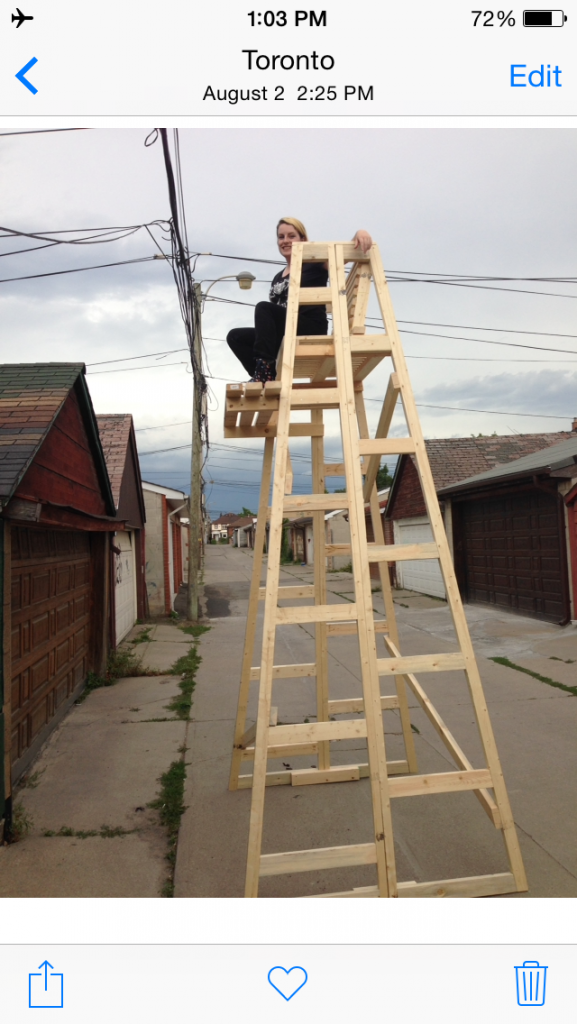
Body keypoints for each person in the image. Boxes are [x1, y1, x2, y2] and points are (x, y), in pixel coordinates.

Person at [226, 218, 372, 383]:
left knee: (263, 308)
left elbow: (343, 256)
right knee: (235, 337)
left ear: (302, 239)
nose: (285, 241)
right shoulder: (277, 277)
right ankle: (265, 375)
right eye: (281, 237)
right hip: (286, 331)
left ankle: (263, 371)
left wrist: (359, 233)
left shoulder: (313, 262)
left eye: (291, 236)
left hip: (309, 326)